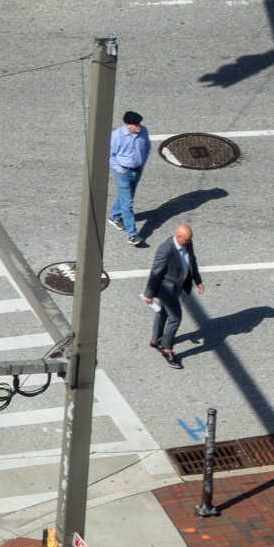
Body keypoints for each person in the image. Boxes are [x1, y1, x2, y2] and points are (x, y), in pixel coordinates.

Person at [144, 222, 202, 367]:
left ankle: (155, 340)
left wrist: (198, 281)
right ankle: (167, 349)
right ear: (178, 236)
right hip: (166, 288)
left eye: (190, 239)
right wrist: (149, 293)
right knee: (175, 317)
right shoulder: (165, 249)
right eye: (187, 239)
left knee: (163, 312)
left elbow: (192, 262)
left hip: (177, 285)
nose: (190, 242)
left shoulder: (187, 244)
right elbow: (156, 272)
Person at [108, 111, 150, 246]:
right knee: (128, 203)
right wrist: (120, 169)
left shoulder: (143, 131)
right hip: (123, 172)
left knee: (127, 195)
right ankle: (132, 234)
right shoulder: (117, 136)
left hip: (137, 169)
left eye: (139, 123)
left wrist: (142, 164)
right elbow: (110, 154)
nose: (139, 126)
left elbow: (147, 147)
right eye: (136, 124)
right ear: (127, 125)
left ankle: (114, 216)